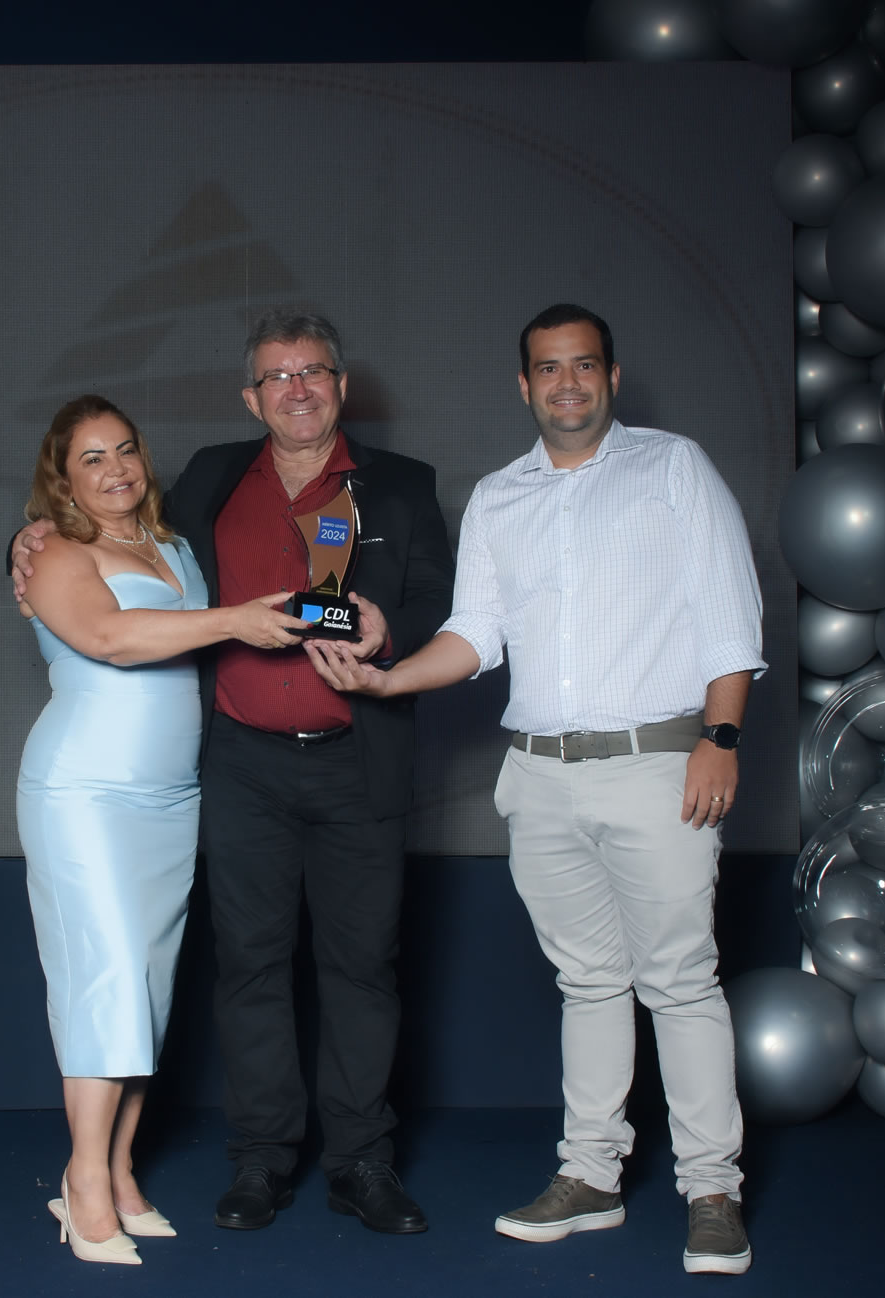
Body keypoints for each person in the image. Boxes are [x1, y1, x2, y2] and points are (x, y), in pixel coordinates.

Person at [305, 303, 766, 1275]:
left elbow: (729, 618)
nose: (566, 383)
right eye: (548, 368)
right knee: (587, 982)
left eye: (583, 365)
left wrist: (719, 738)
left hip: (658, 767)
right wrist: (388, 679)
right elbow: (477, 632)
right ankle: (590, 1175)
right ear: (524, 385)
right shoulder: (498, 496)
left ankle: (711, 1189)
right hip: (540, 776)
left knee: (680, 980)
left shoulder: (673, 468)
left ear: (610, 376)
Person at [14, 310, 454, 1236]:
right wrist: (19, 544)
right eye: (277, 376)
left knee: (362, 970)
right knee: (249, 967)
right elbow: (94, 541)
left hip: (357, 762)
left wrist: (390, 629)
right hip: (242, 766)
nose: (298, 389)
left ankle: (362, 1163)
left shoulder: (403, 485)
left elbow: (442, 603)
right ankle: (261, 1161)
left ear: (340, 384)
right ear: (252, 398)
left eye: (314, 371)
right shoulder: (212, 478)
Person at [15, 394, 308, 1266]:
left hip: (170, 797)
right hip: (84, 793)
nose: (116, 470)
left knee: (146, 988)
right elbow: (109, 636)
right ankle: (82, 1184)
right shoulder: (54, 552)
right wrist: (233, 620)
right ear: (62, 480)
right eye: (92, 458)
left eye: (125, 450)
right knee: (104, 980)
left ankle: (119, 1169)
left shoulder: (173, 546)